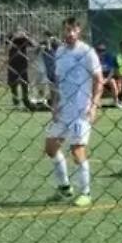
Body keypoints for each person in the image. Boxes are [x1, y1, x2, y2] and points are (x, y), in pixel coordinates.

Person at [44, 17, 103, 208]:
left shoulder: (87, 52)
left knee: (77, 150)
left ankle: (85, 192)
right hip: (63, 110)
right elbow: (57, 81)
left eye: (73, 30)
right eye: (66, 30)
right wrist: (55, 104)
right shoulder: (59, 52)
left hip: (81, 111)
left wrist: (94, 105)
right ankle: (64, 188)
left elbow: (99, 80)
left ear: (79, 31)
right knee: (51, 148)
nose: (69, 33)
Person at [5, 30, 34, 110]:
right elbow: (7, 49)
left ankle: (26, 100)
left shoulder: (24, 39)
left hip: (23, 64)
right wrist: (13, 38)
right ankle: (16, 102)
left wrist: (26, 36)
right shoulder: (10, 37)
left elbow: (33, 45)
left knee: (24, 84)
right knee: (13, 84)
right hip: (13, 64)